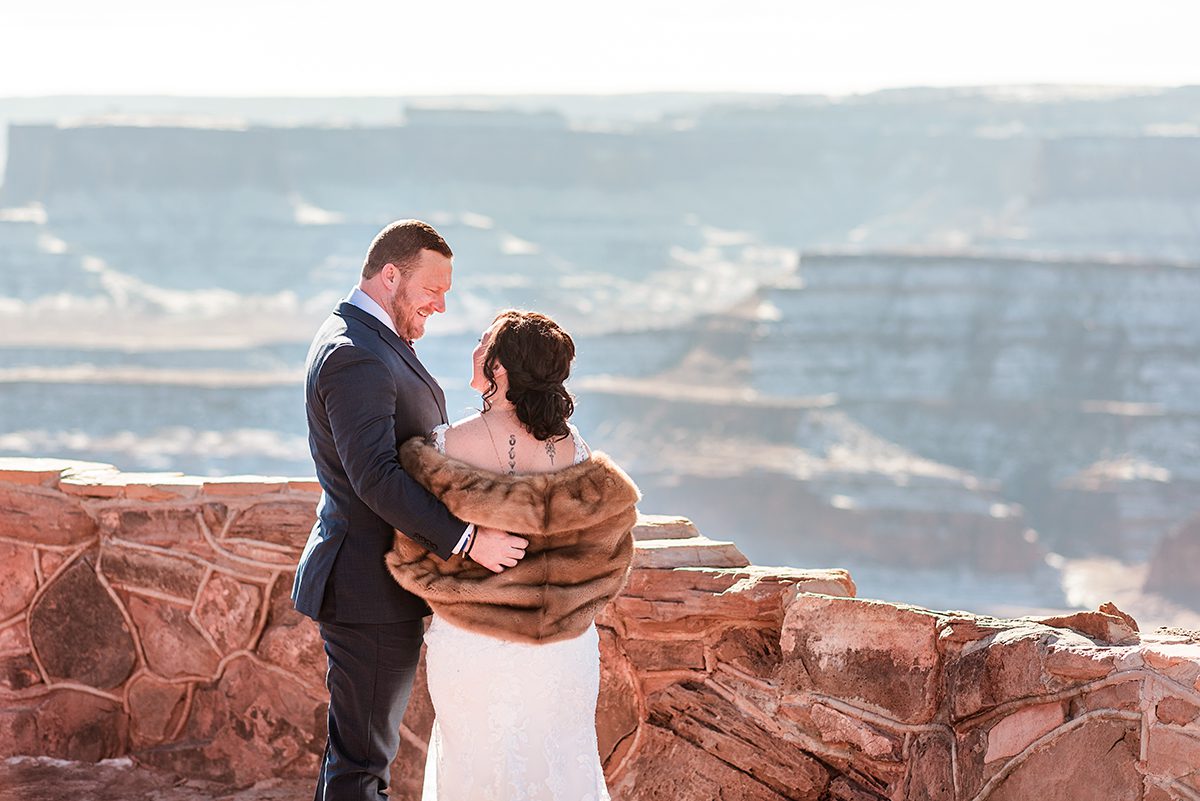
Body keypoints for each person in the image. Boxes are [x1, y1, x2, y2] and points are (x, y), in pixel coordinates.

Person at [292, 220, 530, 801]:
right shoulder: (357, 355)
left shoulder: (368, 338)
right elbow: (374, 475)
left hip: (377, 584)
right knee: (362, 764)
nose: (441, 306)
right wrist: (469, 539)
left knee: (357, 756)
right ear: (390, 274)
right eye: (433, 289)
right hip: (365, 586)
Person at [386, 309, 641, 801]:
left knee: (475, 767)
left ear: (500, 369)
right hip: (564, 652)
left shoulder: (446, 445)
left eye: (484, 344)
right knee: (563, 764)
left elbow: (413, 541)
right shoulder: (577, 451)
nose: (475, 351)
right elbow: (611, 547)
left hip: (472, 643)